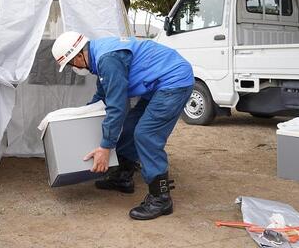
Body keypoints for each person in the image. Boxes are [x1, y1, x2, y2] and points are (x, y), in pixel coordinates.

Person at [51, 31, 194, 220]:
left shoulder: (107, 59)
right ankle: (123, 176)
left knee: (146, 134)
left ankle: (161, 198)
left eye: (70, 64)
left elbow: (117, 106)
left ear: (77, 55)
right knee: (129, 128)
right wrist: (83, 116)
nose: (72, 68)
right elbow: (103, 96)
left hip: (174, 82)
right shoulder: (99, 56)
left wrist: (105, 147)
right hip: (159, 84)